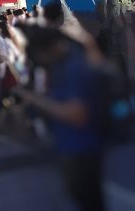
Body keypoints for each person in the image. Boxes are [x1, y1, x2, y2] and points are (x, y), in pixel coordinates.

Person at [15, 26, 108, 211]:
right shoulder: (64, 64)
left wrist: (37, 100)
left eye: (40, 55)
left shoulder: (73, 68)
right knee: (83, 197)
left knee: (87, 198)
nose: (41, 61)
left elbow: (76, 114)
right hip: (73, 145)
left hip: (81, 147)